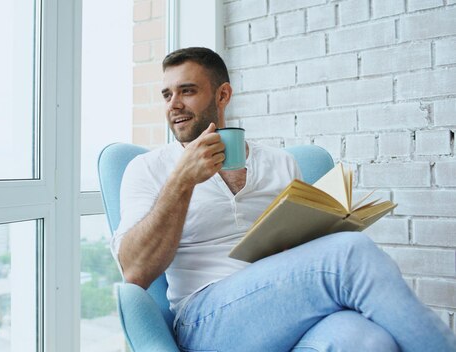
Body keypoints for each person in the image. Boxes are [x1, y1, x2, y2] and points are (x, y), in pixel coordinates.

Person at [110, 47, 456, 351]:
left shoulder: (280, 162)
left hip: (286, 307)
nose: (175, 105)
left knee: (367, 341)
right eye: (167, 95)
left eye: (187, 91)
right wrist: (182, 180)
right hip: (205, 320)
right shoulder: (148, 169)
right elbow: (135, 271)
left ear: (222, 95)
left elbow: (301, 249)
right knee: (352, 252)